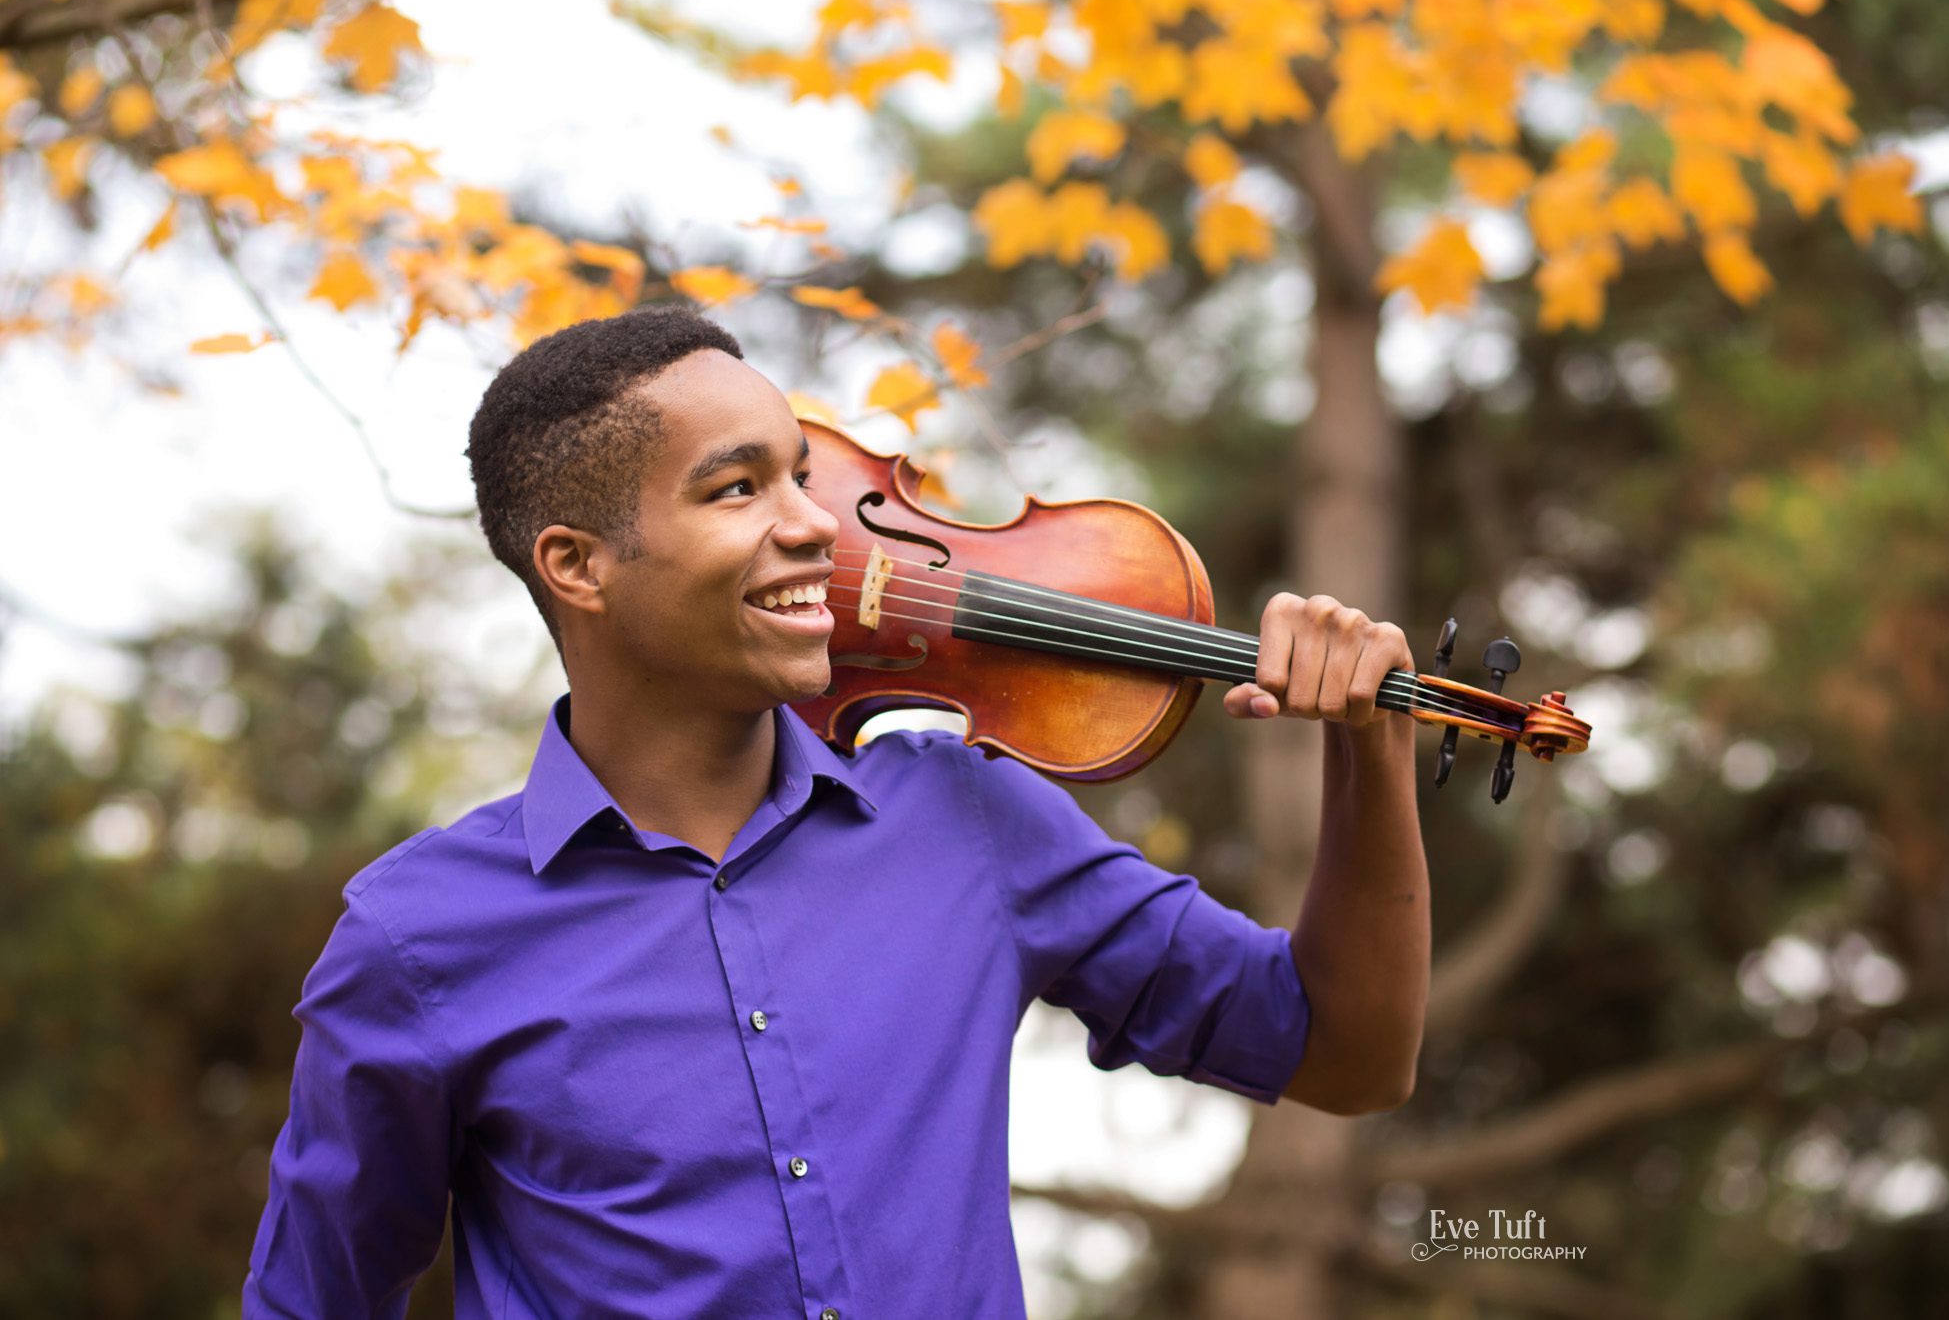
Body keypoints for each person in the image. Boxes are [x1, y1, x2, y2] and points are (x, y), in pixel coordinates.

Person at [241, 305, 1430, 1319]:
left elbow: (1347, 1053)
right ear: (577, 565)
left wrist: (1366, 752)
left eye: (799, 476)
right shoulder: (418, 937)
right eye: (736, 488)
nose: (809, 525)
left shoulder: (971, 820)